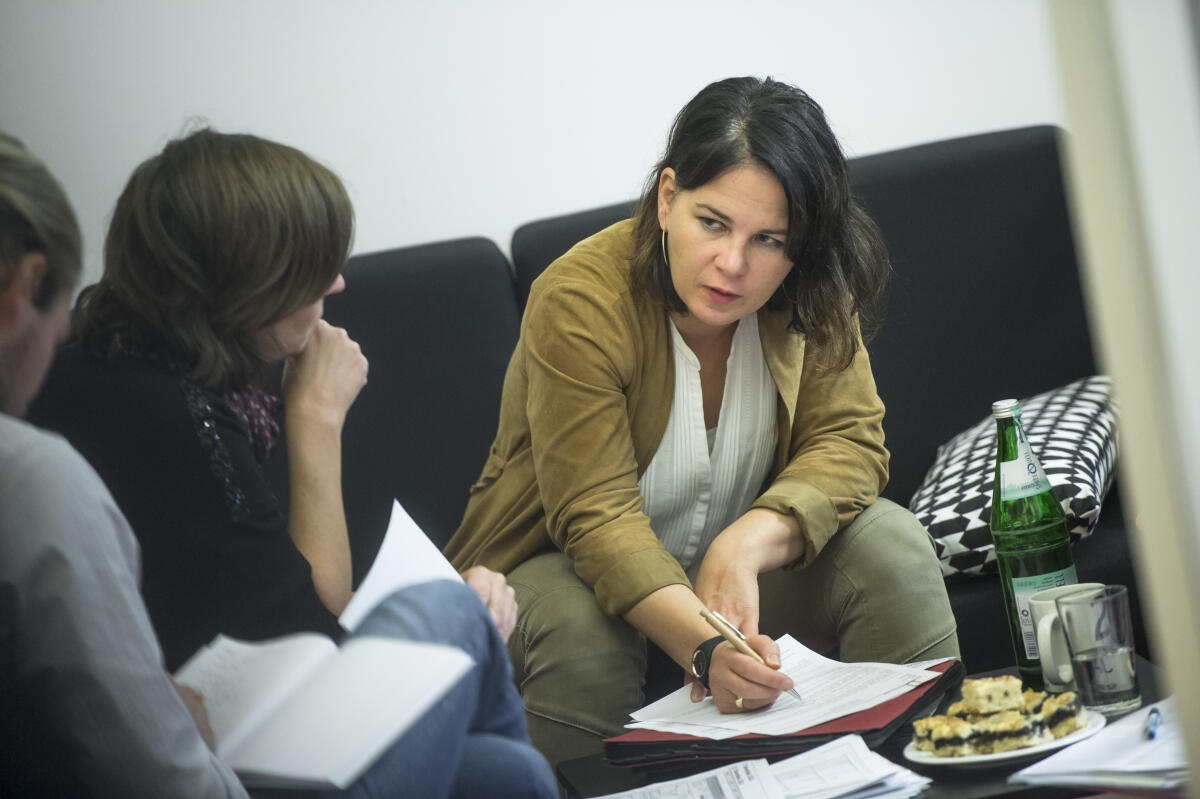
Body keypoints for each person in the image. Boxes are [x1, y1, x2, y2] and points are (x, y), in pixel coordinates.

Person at [14, 130, 554, 797]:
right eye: (312, 265)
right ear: (248, 282)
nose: (337, 280)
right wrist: (317, 416)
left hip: (231, 735)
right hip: (245, 769)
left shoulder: (120, 365)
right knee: (454, 607)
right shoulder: (175, 416)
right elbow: (313, 629)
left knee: (513, 773)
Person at [444, 76, 960, 767]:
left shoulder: (811, 282)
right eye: (712, 222)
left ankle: (921, 769)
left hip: (737, 588)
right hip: (564, 582)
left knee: (891, 544)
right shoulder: (578, 298)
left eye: (769, 239)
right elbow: (595, 517)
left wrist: (744, 544)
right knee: (578, 624)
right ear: (667, 199)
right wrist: (706, 645)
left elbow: (851, 441)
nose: (733, 264)